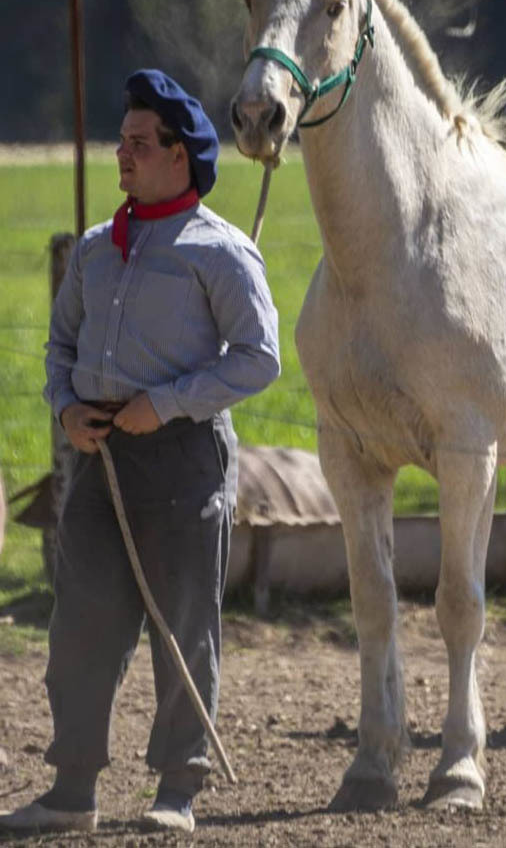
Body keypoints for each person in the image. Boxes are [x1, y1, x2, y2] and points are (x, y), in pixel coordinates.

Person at [0, 70, 280, 835]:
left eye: (138, 144)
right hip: (98, 461)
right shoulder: (96, 249)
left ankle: (176, 793)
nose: (122, 155)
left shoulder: (221, 253)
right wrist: (64, 408)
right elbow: (61, 346)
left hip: (183, 460)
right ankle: (71, 793)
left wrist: (168, 401)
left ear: (180, 156)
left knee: (183, 628)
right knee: (80, 625)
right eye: (121, 142)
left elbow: (259, 358)